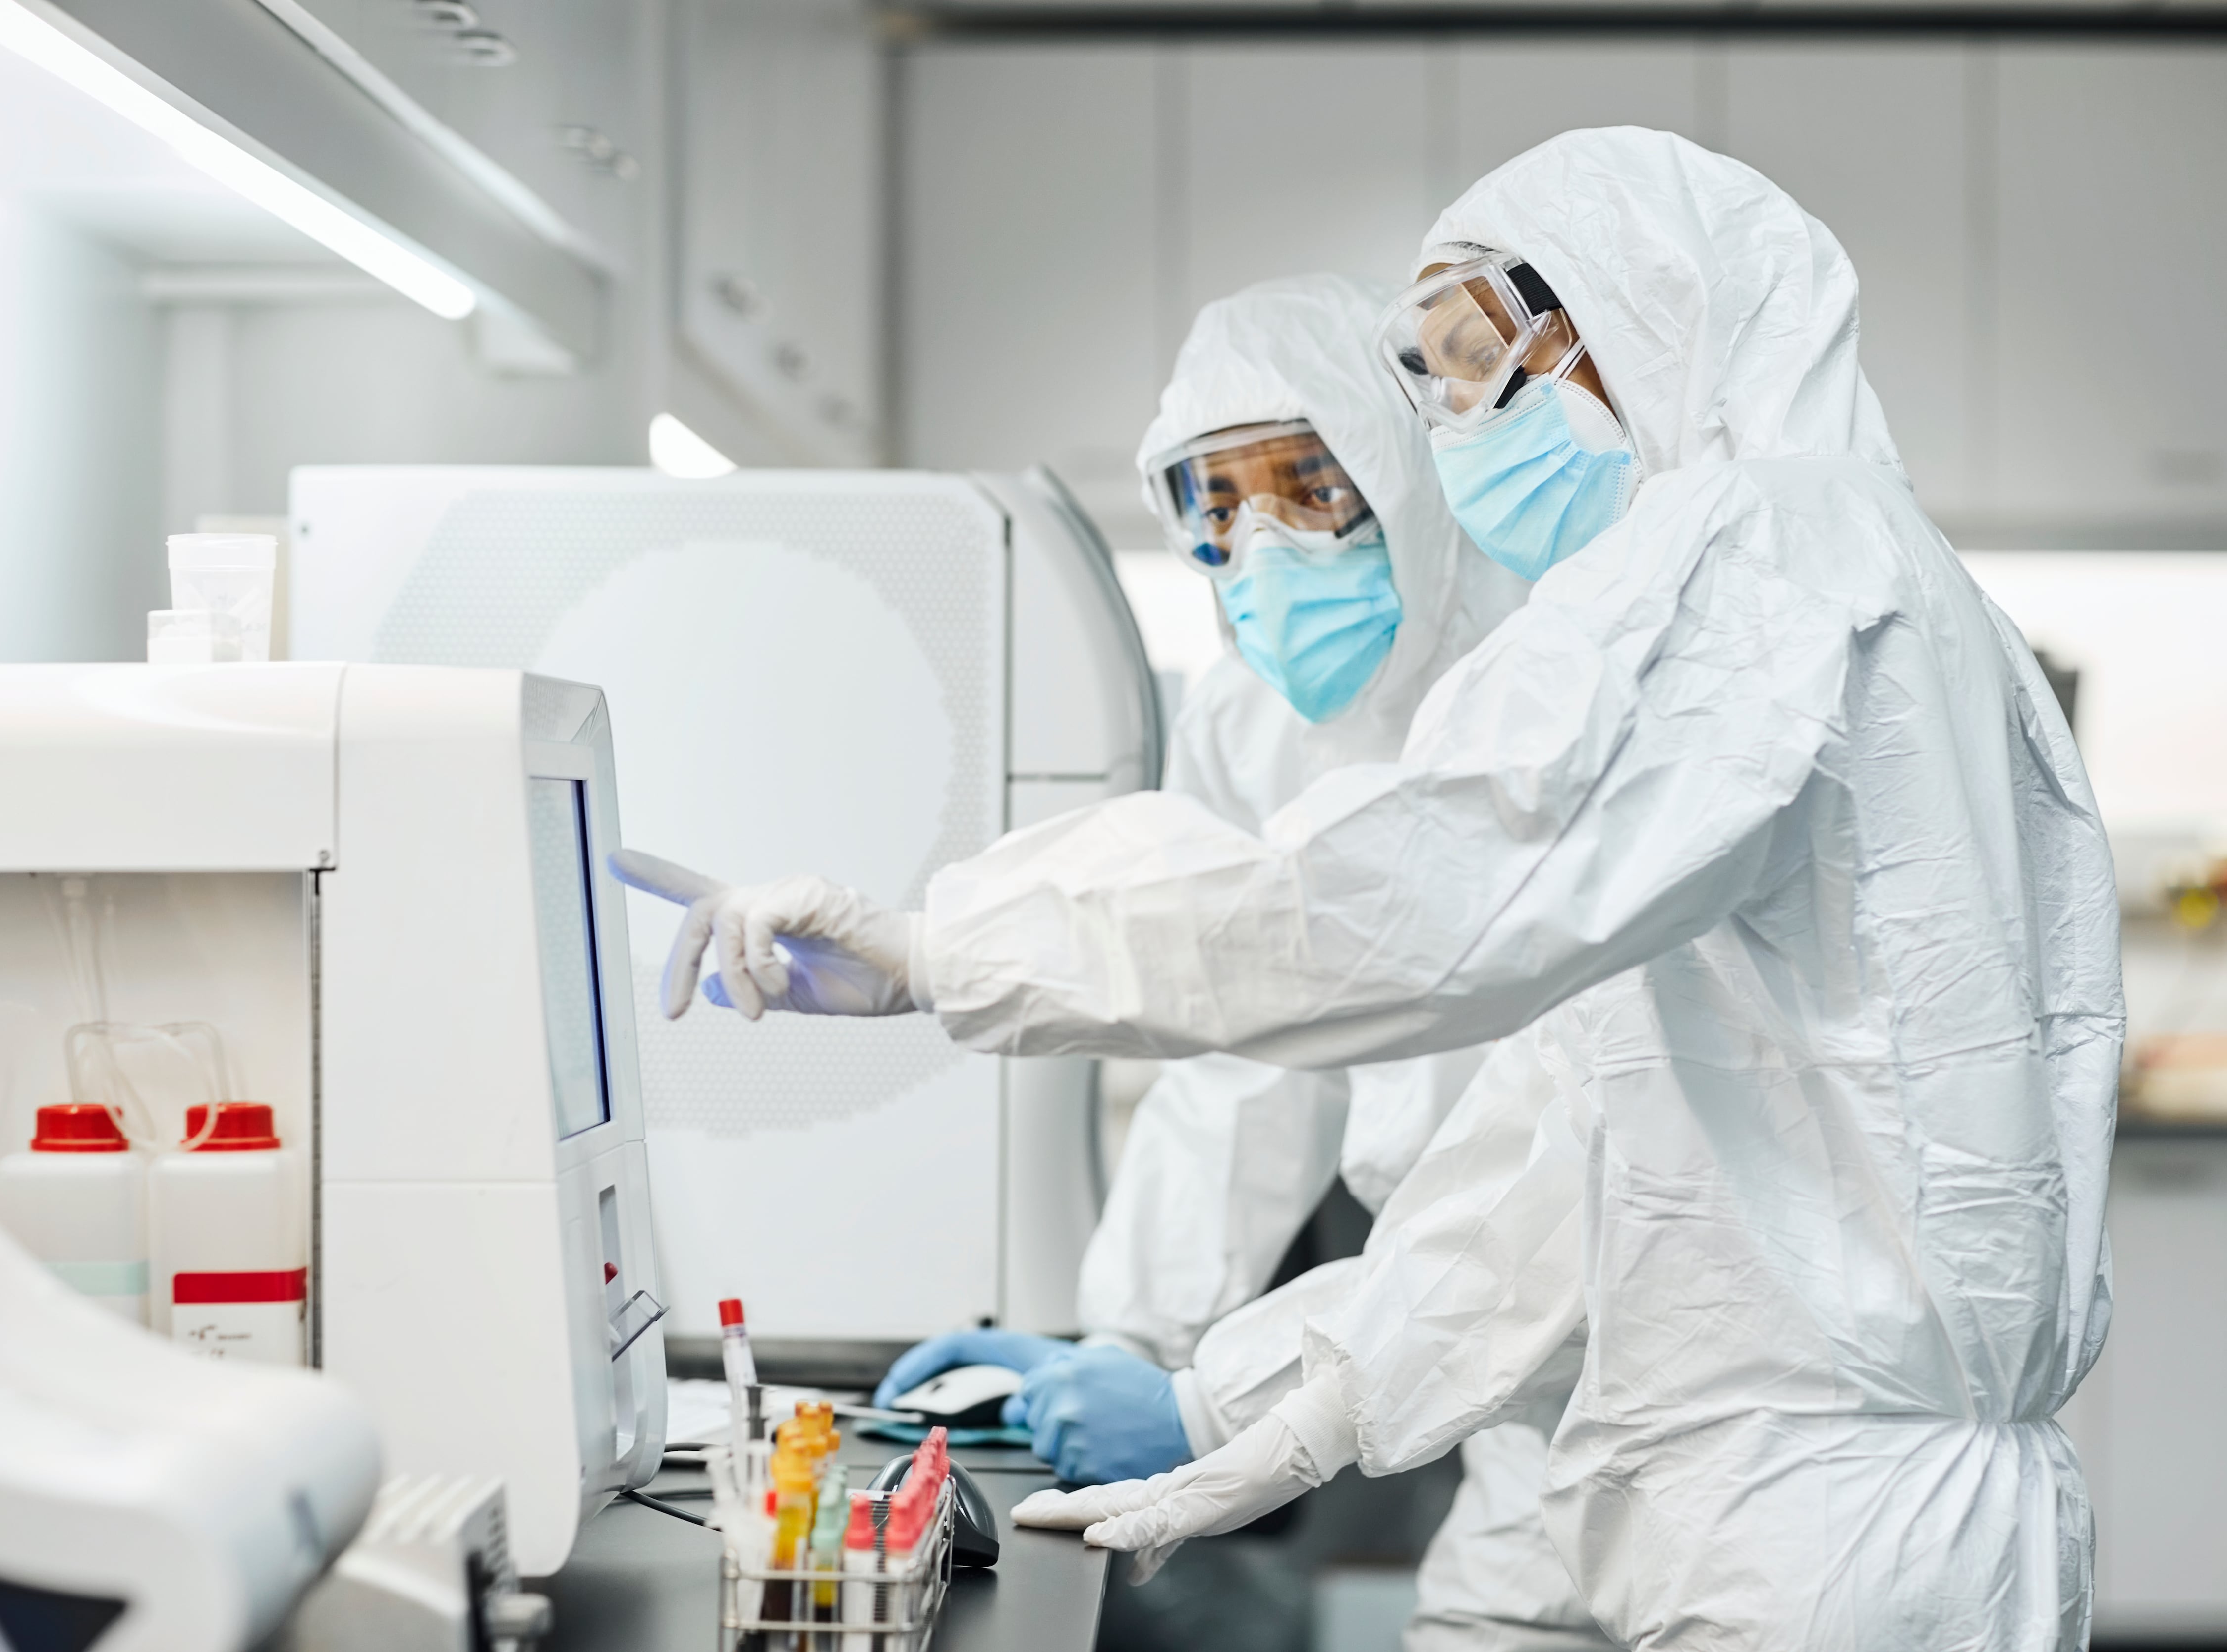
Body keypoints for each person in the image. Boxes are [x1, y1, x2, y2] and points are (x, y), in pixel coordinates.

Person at [625, 126, 2119, 1649]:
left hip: (1817, 1517)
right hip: (1688, 1458)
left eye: (1477, 364)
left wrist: (952, 950)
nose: (1453, 422)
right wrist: (1281, 1403)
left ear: (1653, 312)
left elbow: (1429, 891)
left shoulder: (1777, 559)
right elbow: (1581, 1140)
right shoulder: (1792, 575)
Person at [863, 274, 1608, 1649]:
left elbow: (1580, 1183)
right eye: (1218, 506)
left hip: (1664, 1385)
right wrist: (1135, 1339)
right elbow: (1237, 1062)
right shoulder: (1252, 721)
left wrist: (1216, 1403)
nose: (1265, 548)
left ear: (1402, 467)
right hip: (1514, 1412)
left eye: (1309, 488)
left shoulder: (1550, 690)